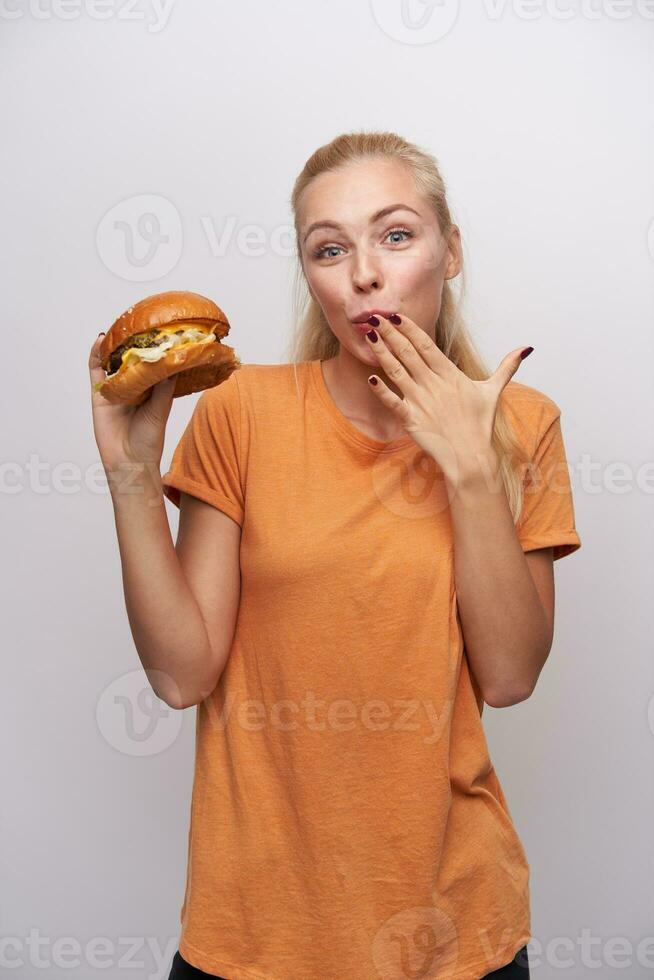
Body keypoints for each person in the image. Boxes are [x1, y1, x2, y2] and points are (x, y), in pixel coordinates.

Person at [89, 130, 582, 979]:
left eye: (396, 235)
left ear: (450, 250)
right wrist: (132, 479)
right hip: (253, 935)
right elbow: (180, 678)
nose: (364, 274)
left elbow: (509, 678)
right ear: (311, 275)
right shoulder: (242, 411)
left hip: (455, 931)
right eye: (330, 248)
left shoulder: (521, 421)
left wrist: (468, 467)